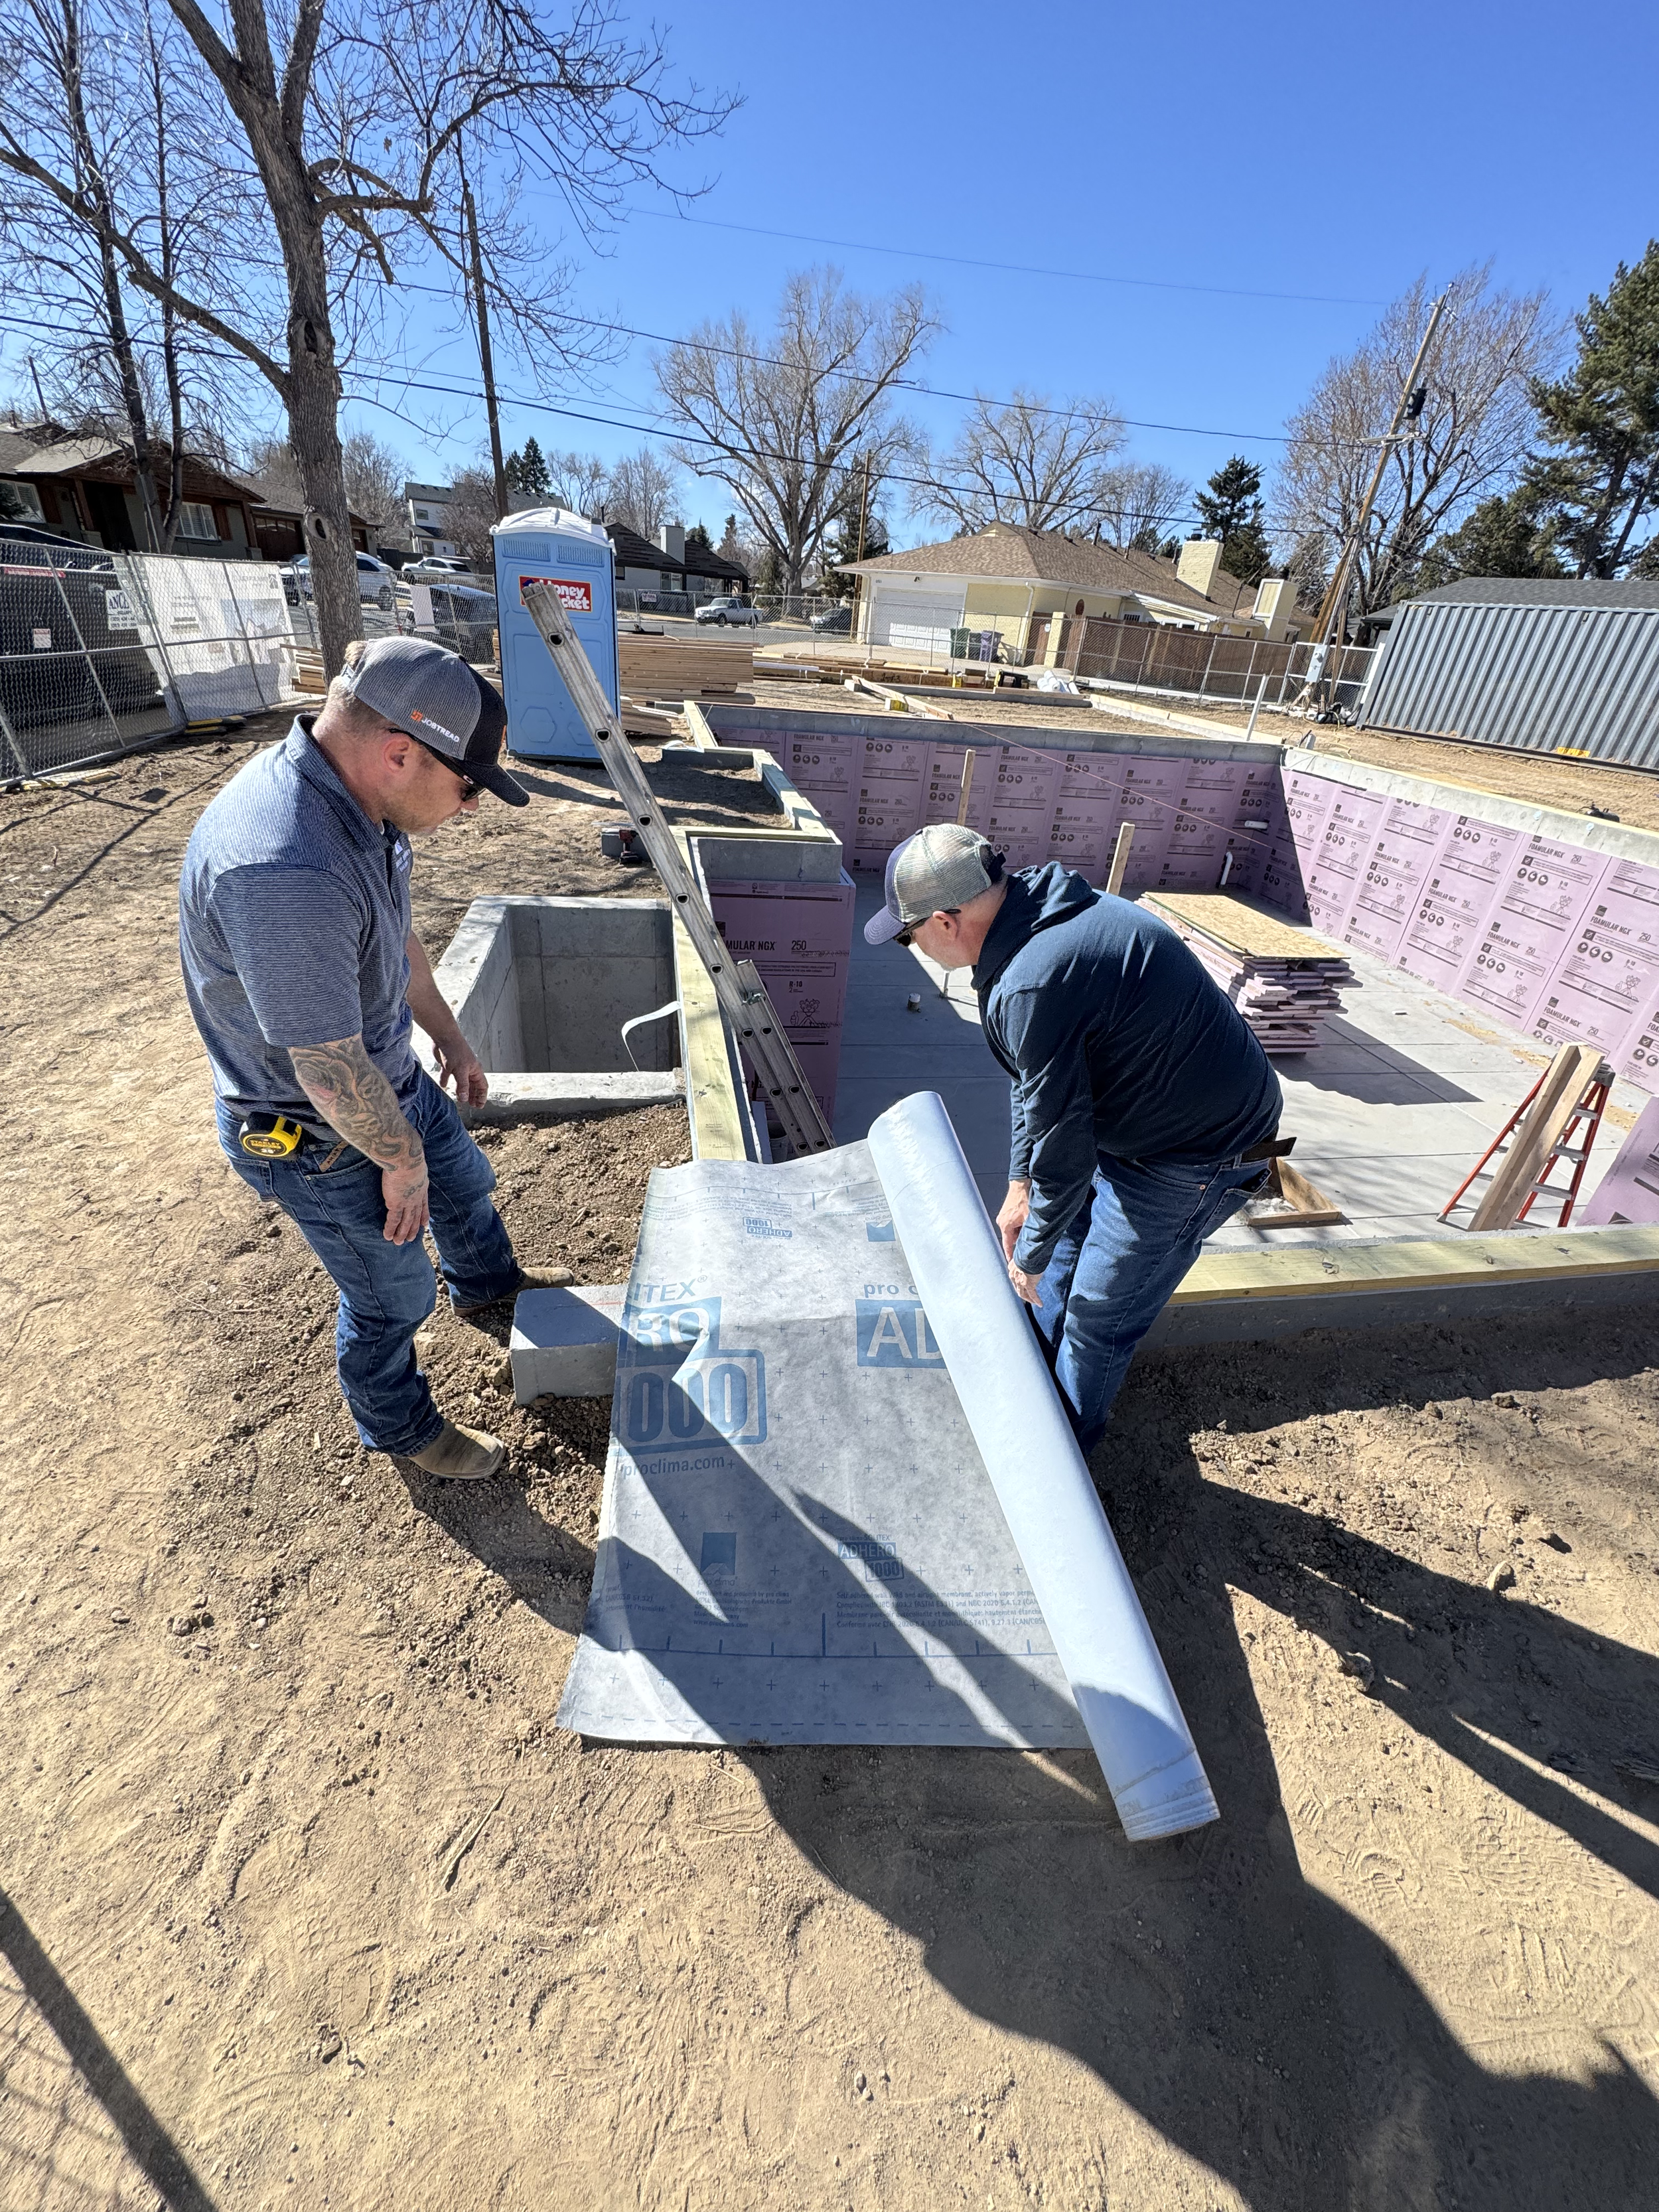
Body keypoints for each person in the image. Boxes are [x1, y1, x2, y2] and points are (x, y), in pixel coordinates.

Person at [179, 634, 571, 1482]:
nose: (470, 806)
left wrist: (452, 1038)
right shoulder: (287, 865)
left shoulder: (362, 805)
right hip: (314, 1127)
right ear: (400, 752)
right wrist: (398, 1164)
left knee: (464, 1182)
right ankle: (400, 1426)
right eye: (467, 787)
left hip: (379, 1076)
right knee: (392, 1292)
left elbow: (396, 943)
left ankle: (489, 1285)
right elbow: (323, 1065)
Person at [864, 821, 1283, 1456]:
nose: (912, 946)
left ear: (946, 921)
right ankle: (1037, 1403)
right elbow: (1036, 1082)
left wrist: (1029, 1245)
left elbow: (1065, 1146)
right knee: (1054, 1264)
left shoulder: (1034, 978)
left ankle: (1067, 1464)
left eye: (909, 933)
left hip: (1197, 1152)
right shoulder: (1033, 910)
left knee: (1097, 1320)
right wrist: (1018, 1183)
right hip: (1147, 1118)